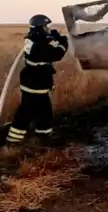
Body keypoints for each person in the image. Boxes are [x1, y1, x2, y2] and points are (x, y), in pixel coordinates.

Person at [4, 14, 69, 145]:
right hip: (35, 84)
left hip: (34, 83)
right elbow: (56, 54)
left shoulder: (33, 39)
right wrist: (63, 43)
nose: (47, 28)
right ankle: (13, 140)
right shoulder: (38, 45)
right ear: (40, 28)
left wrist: (53, 36)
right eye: (45, 26)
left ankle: (43, 135)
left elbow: (43, 44)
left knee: (44, 111)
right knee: (26, 113)